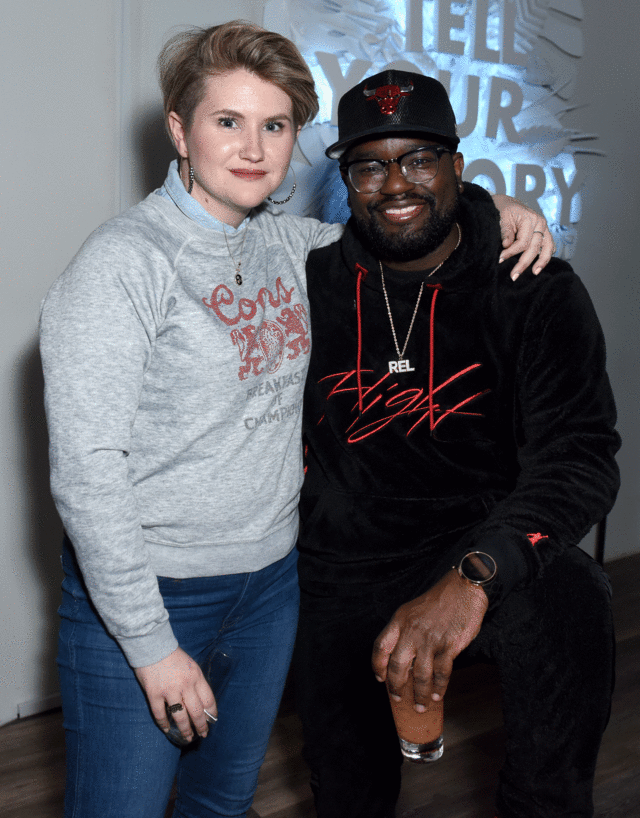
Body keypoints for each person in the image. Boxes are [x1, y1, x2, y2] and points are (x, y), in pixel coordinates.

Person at [40, 21, 554, 818]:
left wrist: (497, 208)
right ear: (179, 129)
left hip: (274, 587)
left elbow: (404, 223)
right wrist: (151, 647)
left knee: (221, 803)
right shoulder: (121, 265)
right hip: (153, 592)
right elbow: (86, 472)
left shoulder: (292, 246)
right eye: (227, 121)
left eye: (274, 125)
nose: (253, 147)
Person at [296, 69, 620, 818]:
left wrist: (475, 574)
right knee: (346, 792)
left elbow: (581, 457)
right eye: (371, 164)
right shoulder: (309, 279)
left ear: (457, 166)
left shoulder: (534, 286)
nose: (395, 183)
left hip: (482, 534)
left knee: (573, 597)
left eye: (418, 158)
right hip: (344, 559)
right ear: (347, 178)